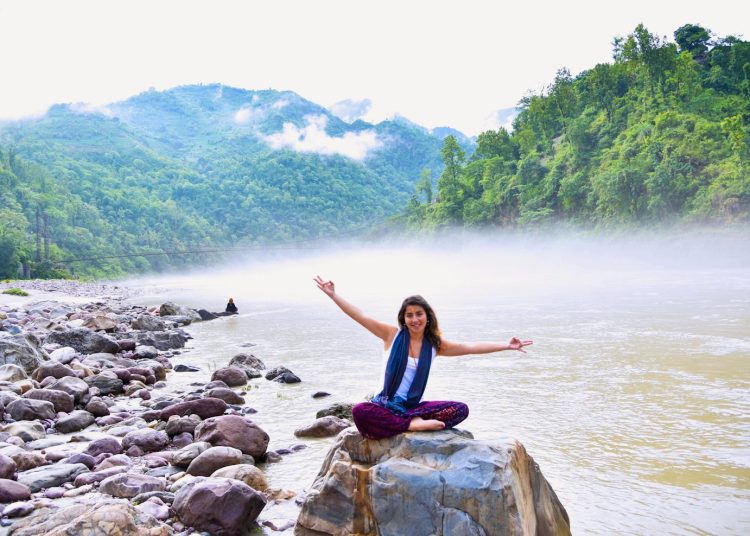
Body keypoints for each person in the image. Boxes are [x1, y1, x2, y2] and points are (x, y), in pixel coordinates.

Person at [314, 275, 533, 440]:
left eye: (419, 314)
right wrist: (333, 295)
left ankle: (406, 421)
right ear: (404, 318)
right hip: (384, 404)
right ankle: (411, 425)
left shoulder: (435, 346)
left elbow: (470, 347)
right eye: (409, 315)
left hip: (411, 407)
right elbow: (359, 315)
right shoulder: (391, 335)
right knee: (359, 411)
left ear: (427, 317)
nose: (414, 319)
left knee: (460, 409)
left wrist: (507, 345)